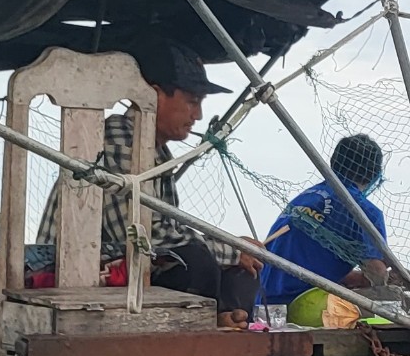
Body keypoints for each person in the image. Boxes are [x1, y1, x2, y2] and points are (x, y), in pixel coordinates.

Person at [33, 42, 256, 321]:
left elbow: (166, 236)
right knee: (199, 262)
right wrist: (232, 249)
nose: (197, 116)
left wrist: (235, 255)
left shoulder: (158, 149)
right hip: (80, 271)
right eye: (192, 102)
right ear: (153, 95)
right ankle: (209, 325)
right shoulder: (119, 137)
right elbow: (145, 235)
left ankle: (226, 321)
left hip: (133, 265)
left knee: (244, 272)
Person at [258, 134, 391, 321]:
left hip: (262, 303)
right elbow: (377, 274)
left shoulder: (306, 197)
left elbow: (306, 263)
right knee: (389, 311)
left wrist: (355, 278)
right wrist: (392, 278)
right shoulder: (365, 212)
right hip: (300, 305)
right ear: (374, 174)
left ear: (334, 163)